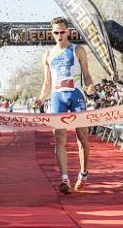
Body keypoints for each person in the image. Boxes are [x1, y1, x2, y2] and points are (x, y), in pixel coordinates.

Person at [35, 17, 95, 193]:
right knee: (59, 138)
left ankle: (83, 174)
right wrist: (40, 98)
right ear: (52, 33)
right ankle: (64, 179)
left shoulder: (78, 50)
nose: (59, 35)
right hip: (57, 97)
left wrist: (90, 85)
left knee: (81, 136)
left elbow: (87, 74)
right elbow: (47, 82)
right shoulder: (47, 55)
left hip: (76, 95)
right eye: (56, 32)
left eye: (62, 31)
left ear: (67, 31)